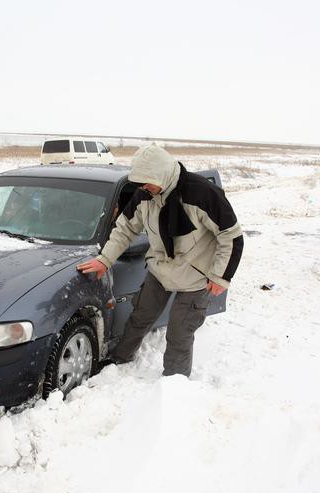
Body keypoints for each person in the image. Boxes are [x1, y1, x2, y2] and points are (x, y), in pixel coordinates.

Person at [77, 143, 244, 377]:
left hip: (196, 274)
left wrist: (221, 276)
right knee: (140, 316)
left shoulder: (202, 193)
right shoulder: (145, 194)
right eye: (140, 183)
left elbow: (231, 236)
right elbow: (125, 228)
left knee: (179, 332)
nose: (143, 187)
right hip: (160, 269)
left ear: (161, 174)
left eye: (146, 182)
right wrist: (105, 259)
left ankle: (174, 381)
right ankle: (120, 357)